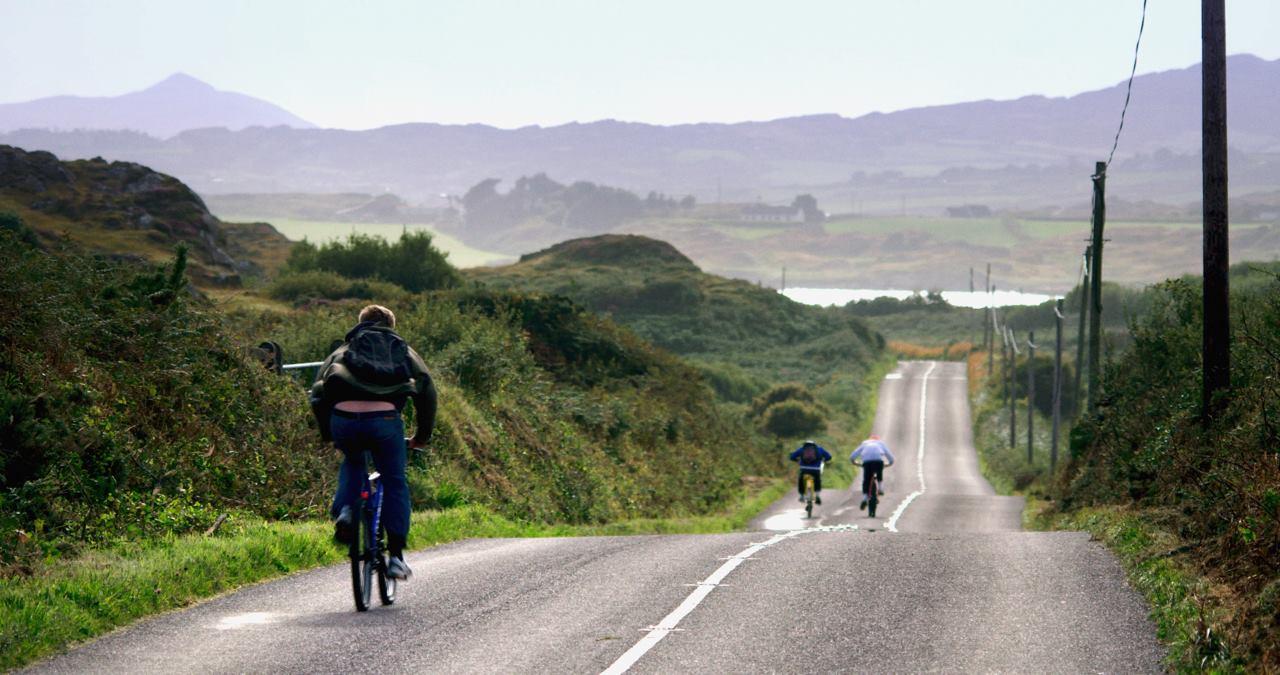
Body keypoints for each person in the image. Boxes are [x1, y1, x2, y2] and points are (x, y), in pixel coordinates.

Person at [310, 304, 437, 581]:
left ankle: (346, 511)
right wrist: (422, 437)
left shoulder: (344, 349)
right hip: (385, 421)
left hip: (344, 419)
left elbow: (317, 391)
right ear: (391, 325)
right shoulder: (402, 349)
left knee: (353, 461)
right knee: (394, 480)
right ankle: (397, 558)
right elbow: (427, 389)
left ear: (361, 322)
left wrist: (328, 433)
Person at [850, 434, 895, 511]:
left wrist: (854, 462)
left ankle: (865, 498)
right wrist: (890, 463)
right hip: (878, 462)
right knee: (879, 472)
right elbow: (890, 456)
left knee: (866, 480)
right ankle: (880, 488)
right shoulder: (881, 443)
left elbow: (853, 456)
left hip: (867, 463)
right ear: (878, 439)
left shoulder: (864, 443)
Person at [788, 440, 832, 504]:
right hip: (816, 469)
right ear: (814, 444)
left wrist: (797, 460)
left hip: (804, 469)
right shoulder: (819, 449)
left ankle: (802, 496)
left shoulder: (801, 449)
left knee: (801, 482)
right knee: (817, 481)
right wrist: (823, 460)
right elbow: (829, 457)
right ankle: (817, 495)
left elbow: (792, 457)